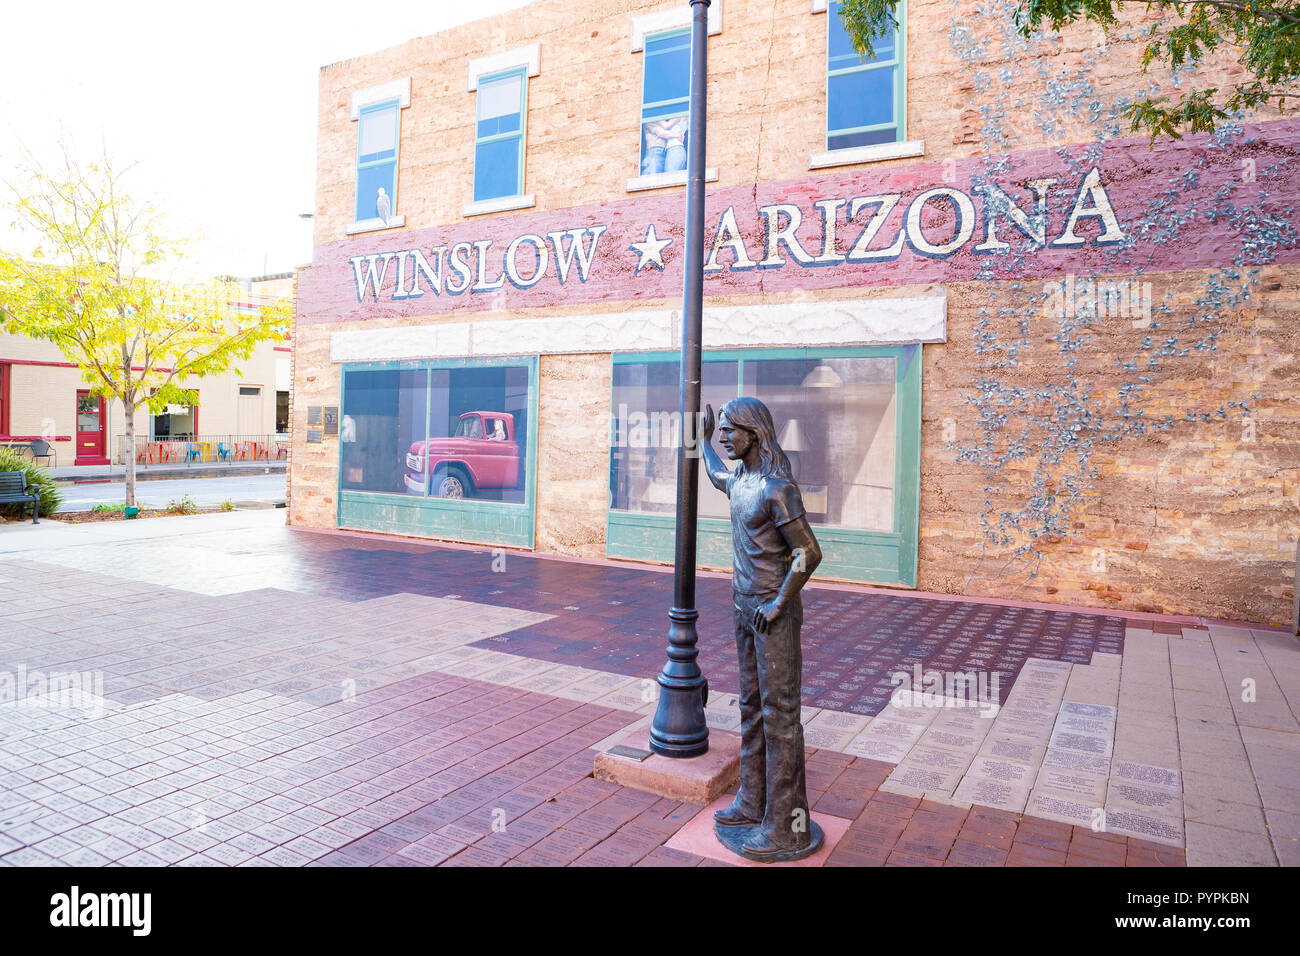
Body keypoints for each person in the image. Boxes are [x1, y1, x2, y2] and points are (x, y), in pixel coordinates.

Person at [701, 396, 823, 860]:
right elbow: (715, 473)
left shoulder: (776, 488)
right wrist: (701, 439)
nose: (725, 436)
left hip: (774, 612)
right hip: (743, 607)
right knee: (751, 704)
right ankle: (752, 802)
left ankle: (786, 826)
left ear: (755, 433)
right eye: (723, 430)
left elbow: (808, 552)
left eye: (731, 429)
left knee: (780, 716)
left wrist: (777, 603)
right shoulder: (740, 481)